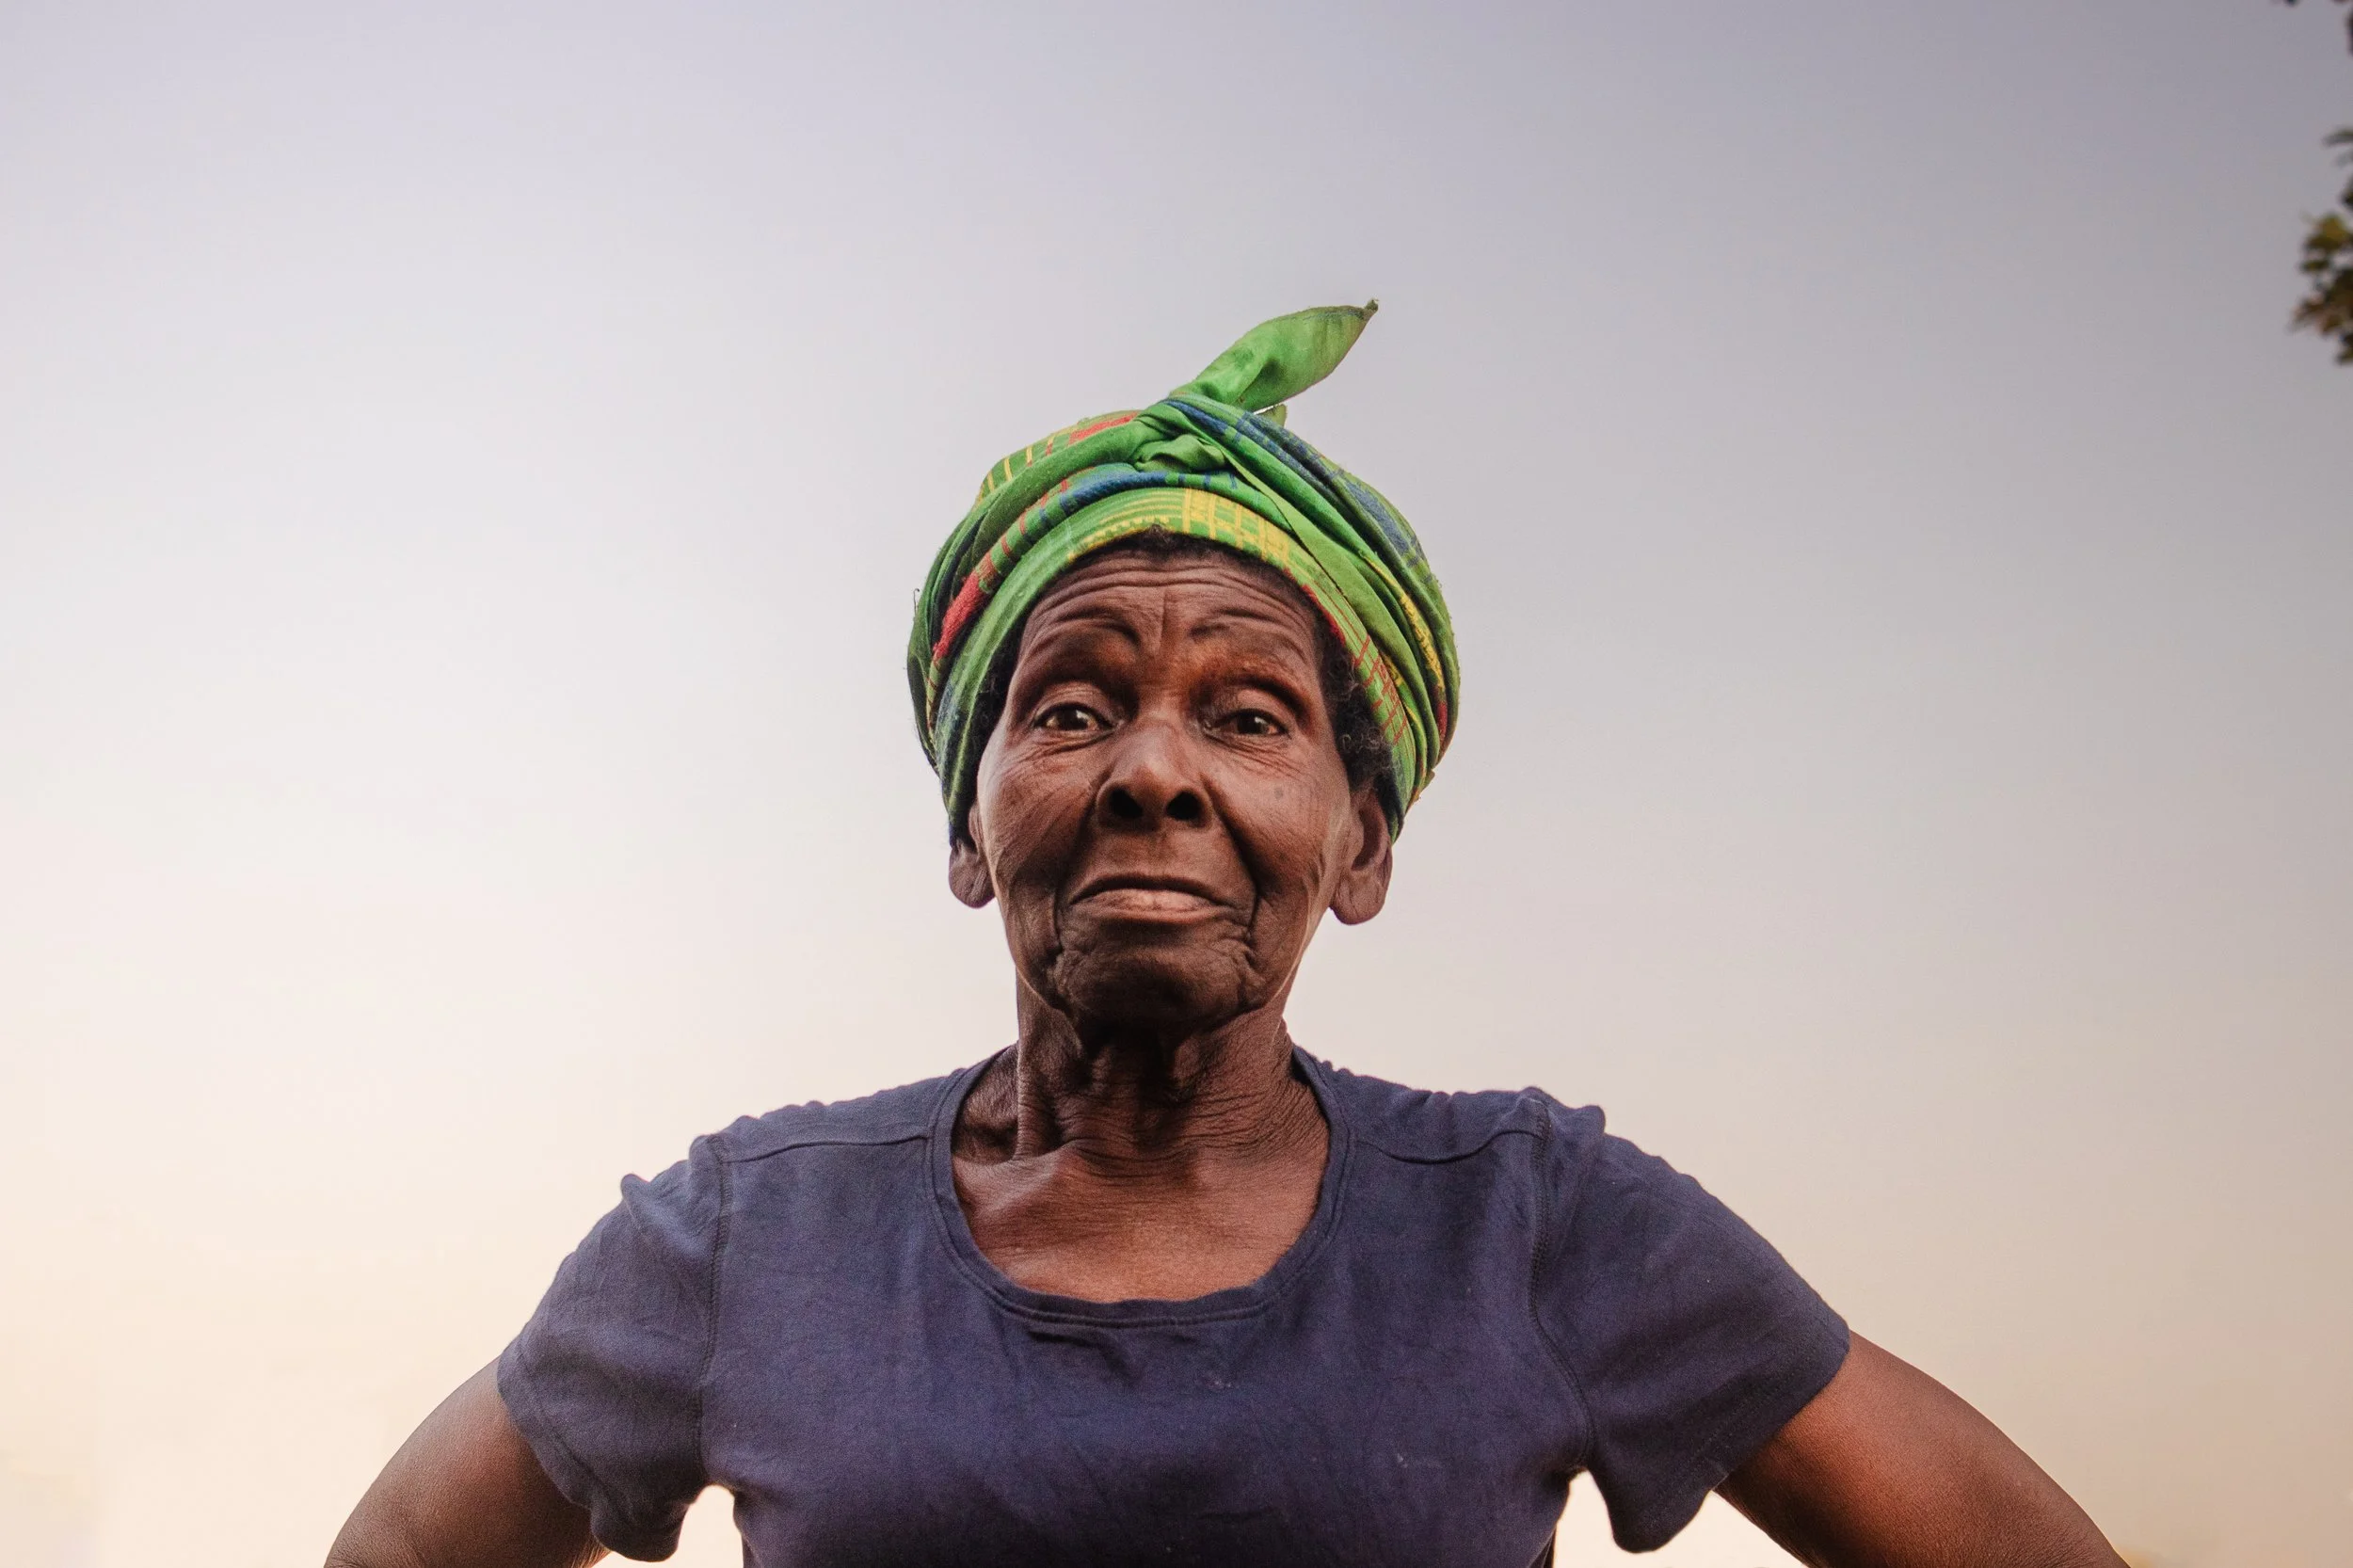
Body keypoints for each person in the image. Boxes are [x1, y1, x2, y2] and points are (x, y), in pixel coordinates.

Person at [327, 306, 2126, 1568]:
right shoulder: (742, 1238)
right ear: (972, 830)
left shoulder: (1539, 1221)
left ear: (1362, 844)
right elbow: (407, 1547)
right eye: (1072, 706)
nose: (1154, 772)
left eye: (1253, 716)